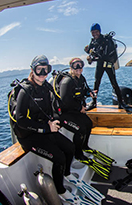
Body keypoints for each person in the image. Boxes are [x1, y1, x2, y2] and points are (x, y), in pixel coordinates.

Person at [13, 55, 80, 202]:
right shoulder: (26, 91)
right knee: (59, 157)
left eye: (46, 69)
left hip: (46, 129)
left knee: (70, 148)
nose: (43, 73)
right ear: (32, 70)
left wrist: (56, 120)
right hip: (29, 136)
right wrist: (45, 128)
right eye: (39, 70)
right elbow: (21, 121)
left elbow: (54, 107)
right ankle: (60, 190)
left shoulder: (46, 87)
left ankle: (66, 174)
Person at [58, 58, 112, 179]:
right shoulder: (67, 81)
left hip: (76, 111)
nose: (79, 68)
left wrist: (90, 93)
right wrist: (79, 108)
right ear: (71, 67)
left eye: (80, 65)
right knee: (80, 128)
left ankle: (84, 146)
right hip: (65, 114)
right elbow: (65, 101)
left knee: (88, 123)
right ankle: (78, 154)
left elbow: (84, 90)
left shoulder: (81, 78)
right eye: (75, 66)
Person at [84, 23, 125, 111]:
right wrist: (89, 55)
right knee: (96, 83)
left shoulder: (106, 40)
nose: (94, 34)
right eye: (92, 32)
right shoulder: (93, 42)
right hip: (100, 65)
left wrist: (93, 58)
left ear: (99, 31)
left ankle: (121, 103)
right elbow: (92, 54)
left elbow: (105, 56)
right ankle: (94, 102)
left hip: (108, 64)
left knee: (114, 83)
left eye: (96, 32)